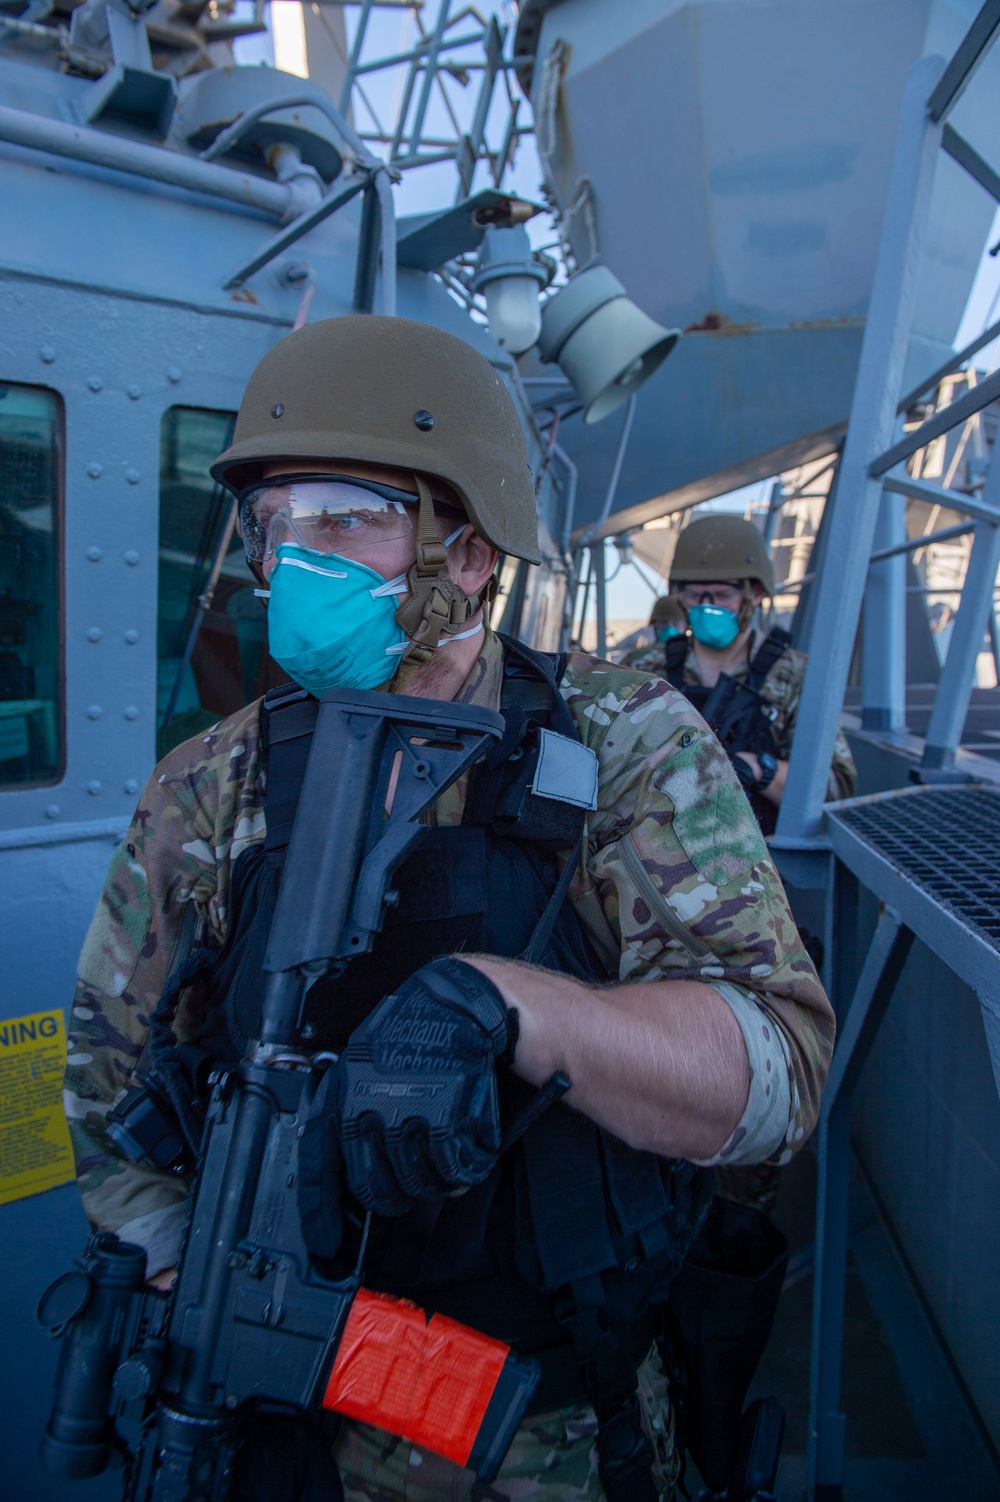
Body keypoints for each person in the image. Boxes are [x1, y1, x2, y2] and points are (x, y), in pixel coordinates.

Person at [64, 317, 835, 1502]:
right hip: (270, 1423)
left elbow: (775, 1079)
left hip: (551, 1430)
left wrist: (510, 1002)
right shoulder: (215, 780)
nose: (294, 559)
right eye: (274, 526)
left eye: (343, 517)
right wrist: (213, 1285)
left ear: (466, 552)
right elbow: (106, 1090)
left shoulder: (621, 743)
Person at [624, 516, 855, 836]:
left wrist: (760, 770)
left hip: (757, 861)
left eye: (721, 595)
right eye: (694, 596)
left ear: (755, 594)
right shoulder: (644, 666)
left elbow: (837, 787)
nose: (706, 607)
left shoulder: (797, 676)